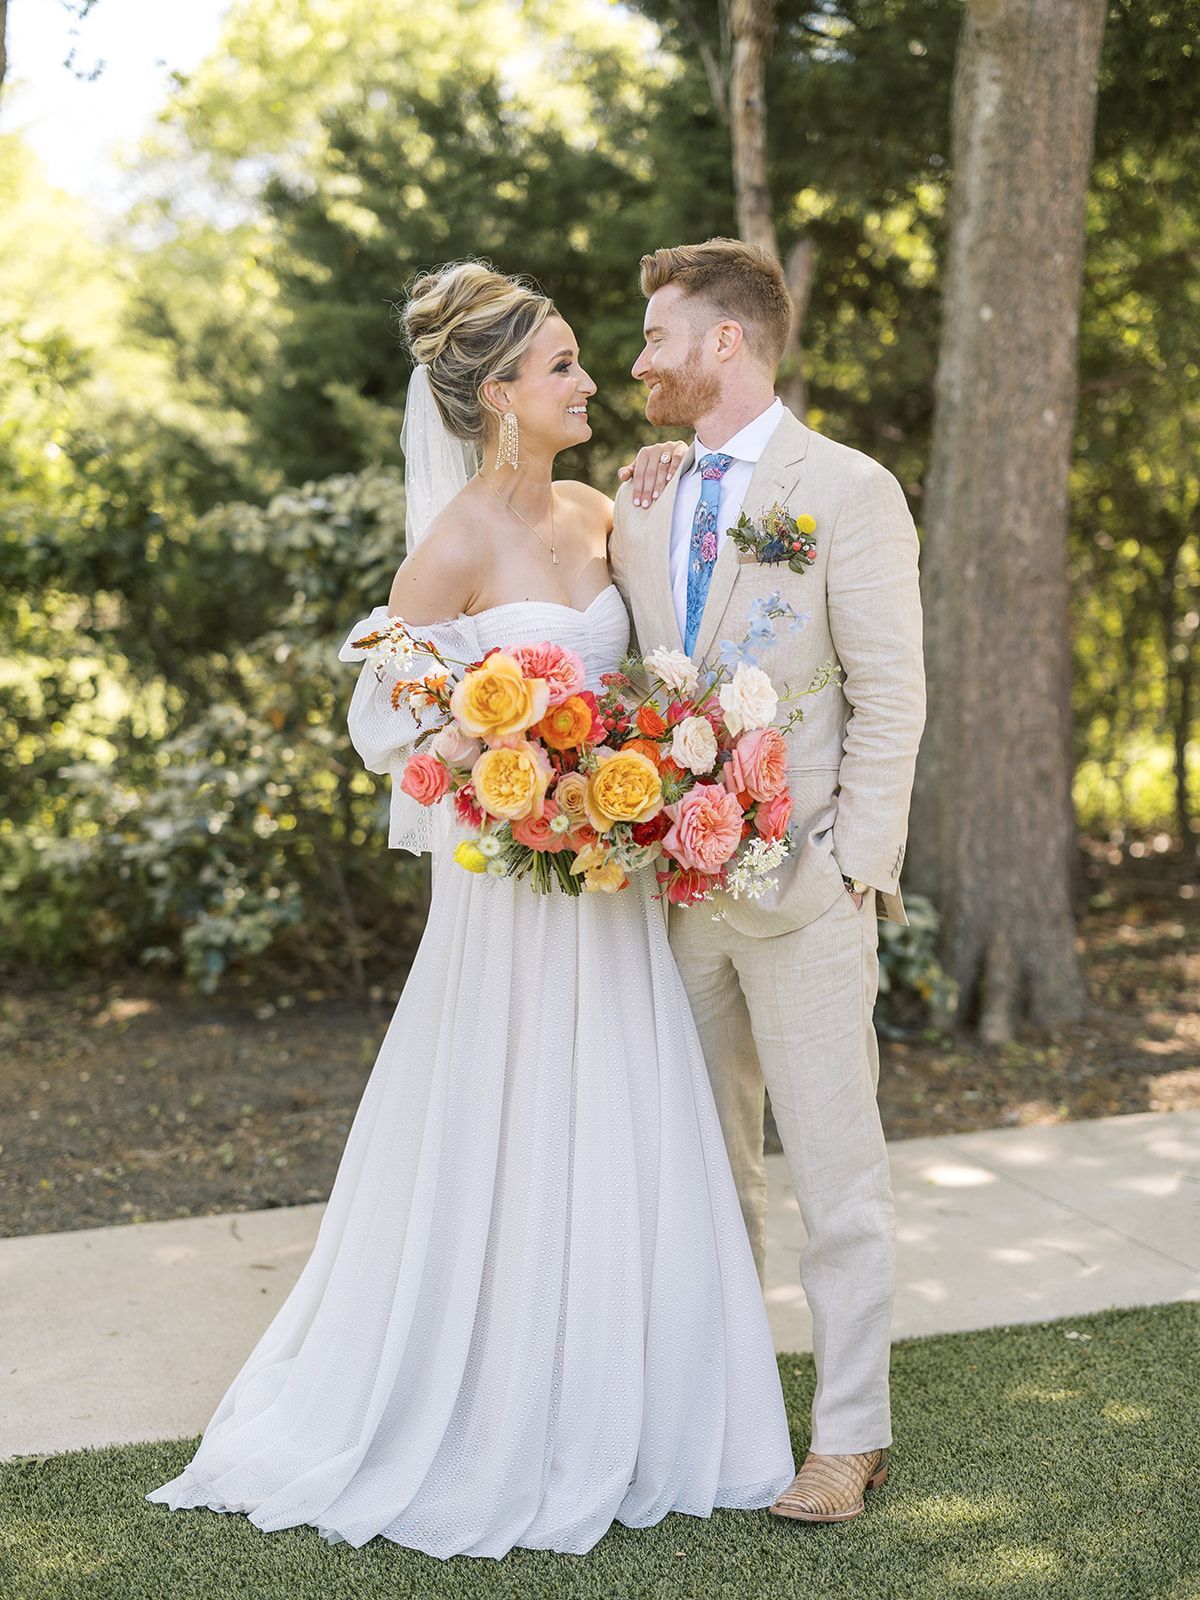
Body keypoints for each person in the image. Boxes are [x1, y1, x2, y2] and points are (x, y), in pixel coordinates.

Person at [145, 261, 794, 1560]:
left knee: (622, 1110)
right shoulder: (453, 542)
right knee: (511, 1114)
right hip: (510, 892)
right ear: (499, 393)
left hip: (606, 888)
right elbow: (384, 696)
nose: (589, 381)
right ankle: (488, 1402)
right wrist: (491, 735)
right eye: (562, 365)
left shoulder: (602, 513)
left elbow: (663, 653)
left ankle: (635, 1403)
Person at [611, 237, 925, 1524]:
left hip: (805, 896)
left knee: (836, 1181)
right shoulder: (643, 494)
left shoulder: (846, 488)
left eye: (658, 337)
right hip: (676, 899)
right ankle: (730, 1423)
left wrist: (854, 869)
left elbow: (892, 693)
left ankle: (850, 1436)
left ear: (724, 341)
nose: (640, 360)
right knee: (706, 1174)